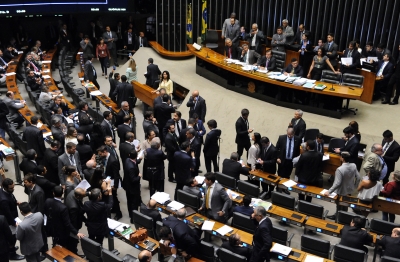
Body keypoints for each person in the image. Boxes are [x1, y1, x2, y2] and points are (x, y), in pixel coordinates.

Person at [44, 186, 84, 251]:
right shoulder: (63, 208)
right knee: (62, 246)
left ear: (53, 193)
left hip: (51, 227)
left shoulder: (47, 201)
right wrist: (76, 232)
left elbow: (45, 213)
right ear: (62, 193)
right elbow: (67, 223)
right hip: (61, 230)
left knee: (55, 241)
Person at [325, 152, 361, 220]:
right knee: (346, 204)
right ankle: (344, 216)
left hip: (341, 190)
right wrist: (354, 186)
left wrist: (329, 191)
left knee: (339, 205)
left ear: (342, 158)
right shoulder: (353, 165)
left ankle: (338, 217)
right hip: (349, 189)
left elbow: (337, 183)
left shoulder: (340, 169)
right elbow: (358, 177)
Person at [0, 179, 24, 260]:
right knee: (12, 237)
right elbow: (8, 214)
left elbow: (11, 197)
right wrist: (14, 223)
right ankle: (12, 254)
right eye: (11, 188)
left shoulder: (4, 191)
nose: (13, 189)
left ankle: (11, 249)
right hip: (9, 221)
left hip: (12, 217)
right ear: (5, 187)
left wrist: (15, 202)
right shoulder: (4, 200)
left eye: (13, 187)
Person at [97, 145, 122, 220]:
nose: (100, 156)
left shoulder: (113, 160)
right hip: (108, 179)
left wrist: (115, 186)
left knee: (114, 197)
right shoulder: (107, 158)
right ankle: (114, 209)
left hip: (113, 181)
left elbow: (116, 174)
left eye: (100, 154)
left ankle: (119, 213)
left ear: (104, 152)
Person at [122, 150, 142, 223]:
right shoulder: (131, 167)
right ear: (136, 156)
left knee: (129, 201)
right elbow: (133, 179)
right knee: (134, 203)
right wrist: (139, 176)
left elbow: (136, 161)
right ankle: (133, 218)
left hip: (127, 185)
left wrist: (139, 159)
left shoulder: (127, 160)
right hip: (132, 188)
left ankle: (131, 214)